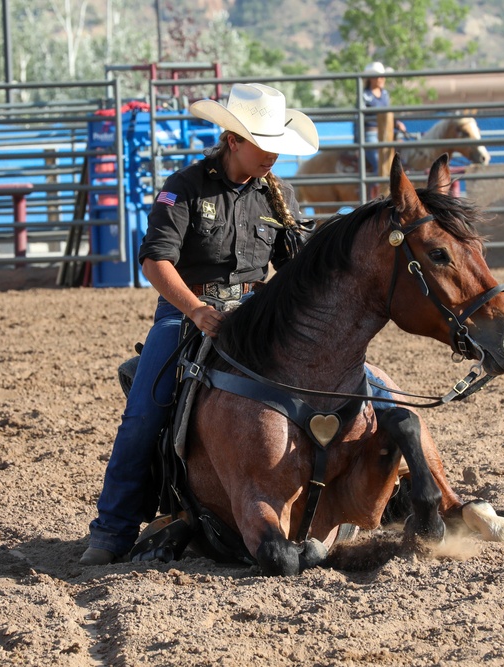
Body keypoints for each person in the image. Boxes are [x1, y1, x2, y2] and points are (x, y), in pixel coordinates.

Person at [80, 83, 320, 565]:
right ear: (233, 140)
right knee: (144, 414)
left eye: (277, 145)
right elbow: (155, 262)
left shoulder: (280, 197)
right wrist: (195, 309)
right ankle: (113, 530)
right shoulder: (184, 188)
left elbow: (296, 266)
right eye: (263, 144)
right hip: (188, 314)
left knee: (350, 379)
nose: (273, 154)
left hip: (256, 314)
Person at [361, 61, 406, 174]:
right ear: (371, 78)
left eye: (383, 76)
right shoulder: (364, 96)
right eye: (379, 76)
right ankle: (374, 190)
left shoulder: (385, 94)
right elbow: (359, 119)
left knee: (403, 157)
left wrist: (397, 123)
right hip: (371, 133)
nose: (382, 79)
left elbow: (388, 113)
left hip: (387, 131)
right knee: (379, 164)